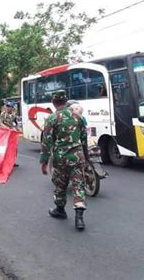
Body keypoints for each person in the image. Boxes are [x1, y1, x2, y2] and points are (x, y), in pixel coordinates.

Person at [40, 90, 89, 231]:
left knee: (60, 184)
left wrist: (44, 162)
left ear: (53, 102)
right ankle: (79, 219)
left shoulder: (52, 118)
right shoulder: (77, 116)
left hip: (61, 159)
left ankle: (60, 210)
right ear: (66, 101)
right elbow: (84, 138)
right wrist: (86, 157)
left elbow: (46, 142)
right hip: (78, 157)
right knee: (78, 185)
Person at [0, 101, 20, 167]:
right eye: (7, 106)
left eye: (9, 107)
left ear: (12, 108)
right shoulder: (3, 114)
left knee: (14, 148)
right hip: (5, 133)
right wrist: (6, 127)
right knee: (6, 148)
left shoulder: (13, 115)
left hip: (12, 133)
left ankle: (12, 161)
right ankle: (5, 161)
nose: (8, 108)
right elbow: (0, 122)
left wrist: (16, 128)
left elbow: (16, 123)